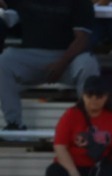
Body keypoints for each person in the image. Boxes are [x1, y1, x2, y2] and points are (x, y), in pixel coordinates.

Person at [0, 0, 99, 132]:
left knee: (88, 63)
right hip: (31, 55)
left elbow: (82, 40)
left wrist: (61, 64)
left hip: (68, 57)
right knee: (4, 61)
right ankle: (14, 124)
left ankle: (90, 124)